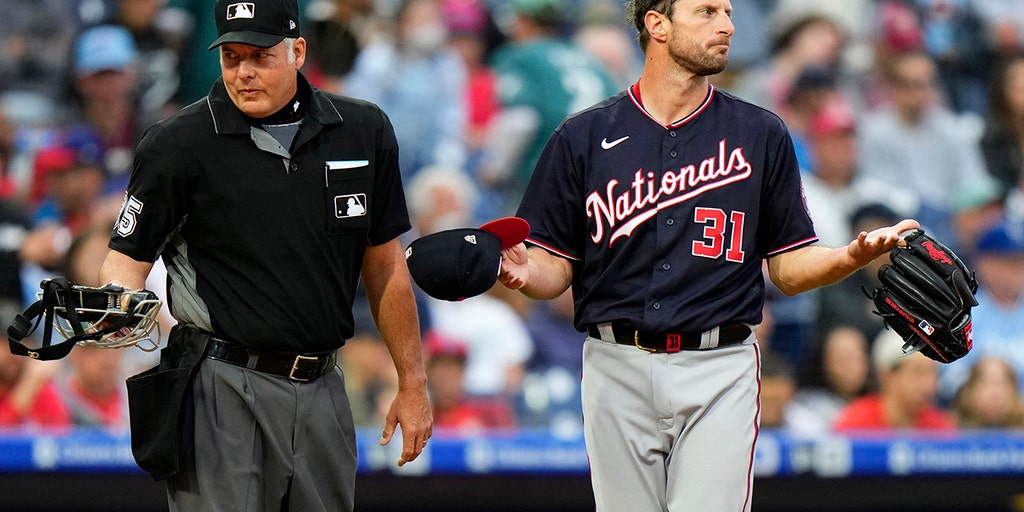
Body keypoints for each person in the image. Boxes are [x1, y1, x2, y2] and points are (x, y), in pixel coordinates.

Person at [496, 1, 919, 510]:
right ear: (657, 24)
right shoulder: (582, 136)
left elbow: (786, 267)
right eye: (706, 11)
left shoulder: (760, 133)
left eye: (729, 12)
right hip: (615, 363)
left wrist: (847, 257)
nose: (728, 26)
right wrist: (523, 271)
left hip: (718, 365)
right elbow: (554, 266)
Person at [97, 0, 432, 509]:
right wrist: (114, 306)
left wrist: (412, 381)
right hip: (220, 385)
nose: (244, 73)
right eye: (231, 57)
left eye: (259, 56)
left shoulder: (362, 131)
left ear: (297, 51)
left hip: (323, 386)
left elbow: (385, 265)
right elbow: (125, 262)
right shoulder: (178, 144)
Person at [832, 330, 957, 431]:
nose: (929, 385)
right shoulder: (856, 425)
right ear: (887, 375)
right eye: (918, 372)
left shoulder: (939, 427)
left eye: (933, 374)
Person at [950, 355, 1024, 429]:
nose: (995, 394)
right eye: (986, 383)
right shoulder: (949, 428)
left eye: (1001, 383)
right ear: (970, 388)